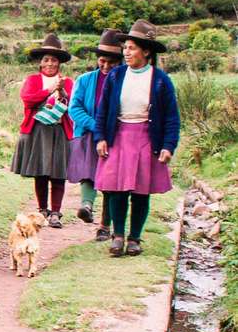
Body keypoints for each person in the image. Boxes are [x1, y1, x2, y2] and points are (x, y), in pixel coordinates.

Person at [94, 20, 179, 257]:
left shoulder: (160, 80)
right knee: (117, 188)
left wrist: (168, 145)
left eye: (132, 48)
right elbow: (103, 111)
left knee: (141, 190)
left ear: (146, 51)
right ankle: (118, 236)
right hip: (119, 136)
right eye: (126, 48)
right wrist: (100, 137)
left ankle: (134, 238)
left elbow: (172, 117)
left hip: (146, 138)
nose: (126, 52)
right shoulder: (116, 76)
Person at [10, 34, 74, 228]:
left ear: (59, 63)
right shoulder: (33, 80)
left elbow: (72, 104)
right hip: (38, 130)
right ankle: (42, 209)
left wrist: (62, 91)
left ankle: (56, 212)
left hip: (59, 131)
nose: (50, 63)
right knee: (41, 171)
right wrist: (49, 90)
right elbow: (28, 100)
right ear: (40, 62)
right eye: (46, 59)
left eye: (53, 60)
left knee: (58, 173)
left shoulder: (67, 82)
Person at [67, 29, 123, 240]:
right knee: (88, 171)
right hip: (89, 133)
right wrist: (96, 126)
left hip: (116, 135)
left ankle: (105, 226)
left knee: (110, 181)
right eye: (102, 61)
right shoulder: (85, 80)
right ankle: (87, 205)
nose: (106, 66)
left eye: (112, 62)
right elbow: (75, 108)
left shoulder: (124, 82)